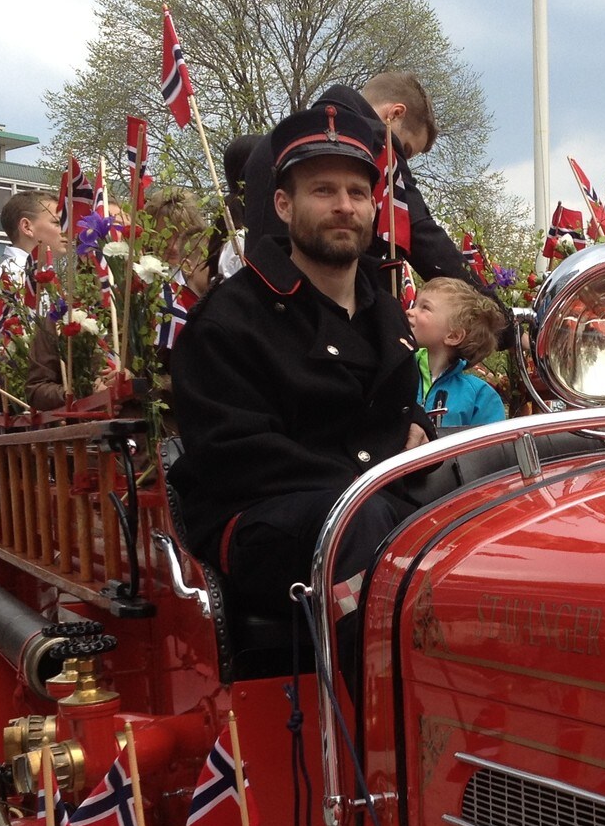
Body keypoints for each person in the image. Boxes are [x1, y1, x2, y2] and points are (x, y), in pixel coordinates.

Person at [171, 104, 433, 634]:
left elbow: (396, 406)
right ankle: (380, 709)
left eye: (358, 193)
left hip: (369, 500)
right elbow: (236, 455)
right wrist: (371, 479)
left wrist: (422, 429)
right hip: (259, 519)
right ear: (284, 206)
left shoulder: (385, 310)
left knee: (495, 499)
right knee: (366, 526)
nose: (344, 206)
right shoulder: (228, 320)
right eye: (324, 191)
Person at [236, 73, 495, 299]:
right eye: (404, 148)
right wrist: (490, 309)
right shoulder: (379, 142)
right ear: (395, 114)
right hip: (325, 308)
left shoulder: (267, 145)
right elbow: (419, 234)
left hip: (256, 300)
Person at [410, 277, 507, 428]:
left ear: (453, 336)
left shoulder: (480, 396)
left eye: (425, 307)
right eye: (415, 304)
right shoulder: (396, 372)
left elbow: (491, 448)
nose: (409, 311)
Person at [0, 189, 66, 279]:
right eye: (57, 223)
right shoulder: (14, 275)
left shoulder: (29, 272)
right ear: (27, 227)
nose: (67, 230)